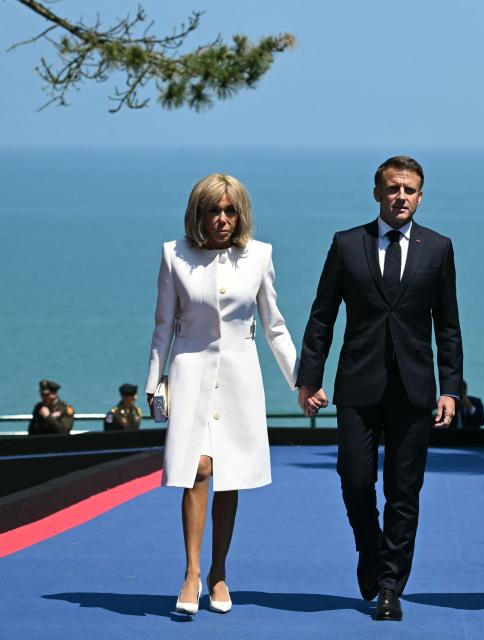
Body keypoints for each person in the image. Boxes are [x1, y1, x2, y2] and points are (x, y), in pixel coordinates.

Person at [297, 156, 463, 622]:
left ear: (421, 196)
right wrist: (309, 377)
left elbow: (448, 326)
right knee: (354, 480)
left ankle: (390, 585)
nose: (401, 197)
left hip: (414, 389)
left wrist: (451, 388)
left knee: (404, 491)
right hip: (357, 384)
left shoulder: (439, 248)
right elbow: (322, 315)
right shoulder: (347, 244)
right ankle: (370, 550)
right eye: (393, 188)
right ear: (377, 193)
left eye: (410, 189)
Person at [145, 173, 298, 615]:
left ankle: (219, 571)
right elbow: (161, 329)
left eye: (230, 210)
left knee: (227, 475)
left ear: (241, 213)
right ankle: (191, 573)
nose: (222, 219)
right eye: (214, 210)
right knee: (198, 469)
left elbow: (275, 326)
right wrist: (154, 386)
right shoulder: (173, 256)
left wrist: (301, 381)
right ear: (199, 213)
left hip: (239, 376)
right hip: (190, 373)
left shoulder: (260, 256)